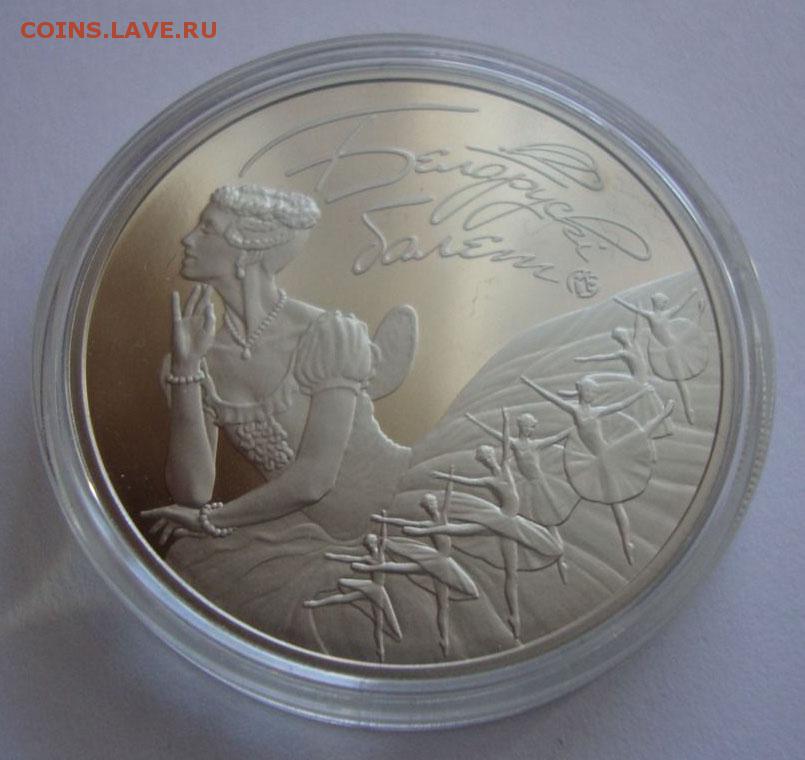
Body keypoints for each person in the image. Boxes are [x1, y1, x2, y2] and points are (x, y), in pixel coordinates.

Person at [142, 184, 416, 654]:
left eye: (207, 228)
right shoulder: (198, 353)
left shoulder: (326, 331)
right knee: (189, 559)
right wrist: (187, 370)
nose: (187, 239)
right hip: (311, 536)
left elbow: (314, 479)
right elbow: (192, 491)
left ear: (247, 249)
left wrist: (213, 520)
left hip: (401, 507)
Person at [521, 375, 674, 565]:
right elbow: (552, 398)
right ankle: (626, 543)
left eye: (594, 392)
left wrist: (641, 393)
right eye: (590, 391)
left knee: (638, 436)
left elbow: (620, 405)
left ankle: (663, 415)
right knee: (616, 504)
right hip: (598, 460)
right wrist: (531, 384)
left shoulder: (596, 411)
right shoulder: (575, 410)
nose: (593, 395)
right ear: (582, 391)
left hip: (608, 452)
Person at [613, 292, 707, 423]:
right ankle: (686, 409)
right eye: (662, 302)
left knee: (681, 381)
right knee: (679, 381)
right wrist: (619, 300)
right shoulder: (650, 315)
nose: (663, 304)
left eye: (664, 303)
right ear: (658, 303)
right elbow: (634, 309)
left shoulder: (664, 314)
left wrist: (691, 293)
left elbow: (679, 306)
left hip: (674, 347)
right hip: (666, 350)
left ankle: (688, 409)